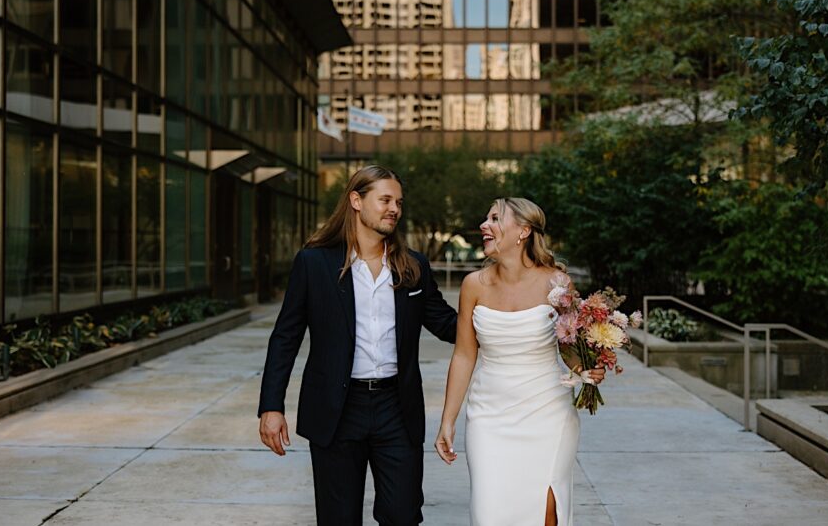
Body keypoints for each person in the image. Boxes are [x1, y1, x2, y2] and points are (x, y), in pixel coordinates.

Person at [258, 165, 458, 526]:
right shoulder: (314, 263)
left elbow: (447, 324)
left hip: (397, 408)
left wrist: (508, 314)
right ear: (356, 200)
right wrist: (271, 406)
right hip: (336, 409)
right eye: (384, 200)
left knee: (403, 515)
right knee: (338, 518)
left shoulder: (413, 266)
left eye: (398, 202)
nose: (394, 208)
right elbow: (286, 337)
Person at [434, 197, 605, 526]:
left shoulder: (557, 283)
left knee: (546, 513)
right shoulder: (473, 286)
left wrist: (585, 369)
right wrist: (448, 419)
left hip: (548, 413)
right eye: (486, 219)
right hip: (489, 417)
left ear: (523, 231)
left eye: (495, 218)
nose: (485, 225)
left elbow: (569, 344)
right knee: (489, 515)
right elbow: (465, 354)